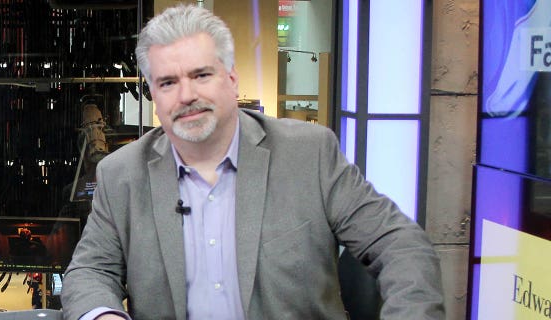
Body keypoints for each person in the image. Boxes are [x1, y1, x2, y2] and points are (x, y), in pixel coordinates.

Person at [61, 4, 445, 320]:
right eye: (168, 83)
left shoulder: (309, 153)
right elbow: (90, 271)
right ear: (154, 96)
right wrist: (104, 316)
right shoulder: (121, 173)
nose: (187, 95)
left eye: (201, 75)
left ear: (232, 79)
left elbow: (400, 244)